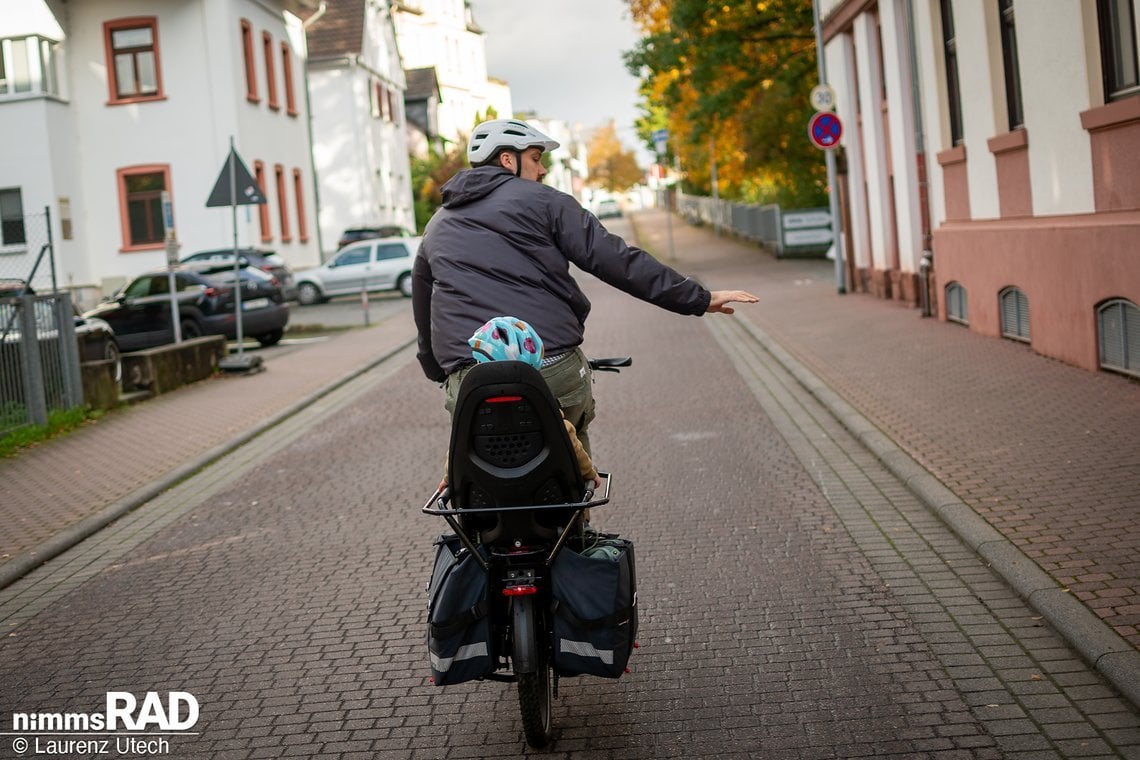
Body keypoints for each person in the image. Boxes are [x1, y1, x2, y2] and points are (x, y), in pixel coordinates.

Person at [413, 118, 758, 453]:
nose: (543, 170)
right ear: (508, 159)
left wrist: (436, 368)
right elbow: (615, 260)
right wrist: (697, 298)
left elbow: (423, 301)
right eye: (535, 159)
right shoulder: (547, 202)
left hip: (469, 377)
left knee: (473, 445)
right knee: (568, 438)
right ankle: (578, 502)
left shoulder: (436, 225)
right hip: (552, 365)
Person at [439, 317, 597, 491]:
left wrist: (449, 477)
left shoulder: (475, 411)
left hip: (488, 497)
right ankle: (581, 516)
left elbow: (457, 447)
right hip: (544, 493)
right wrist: (589, 473)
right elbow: (569, 441)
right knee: (578, 495)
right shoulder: (541, 405)